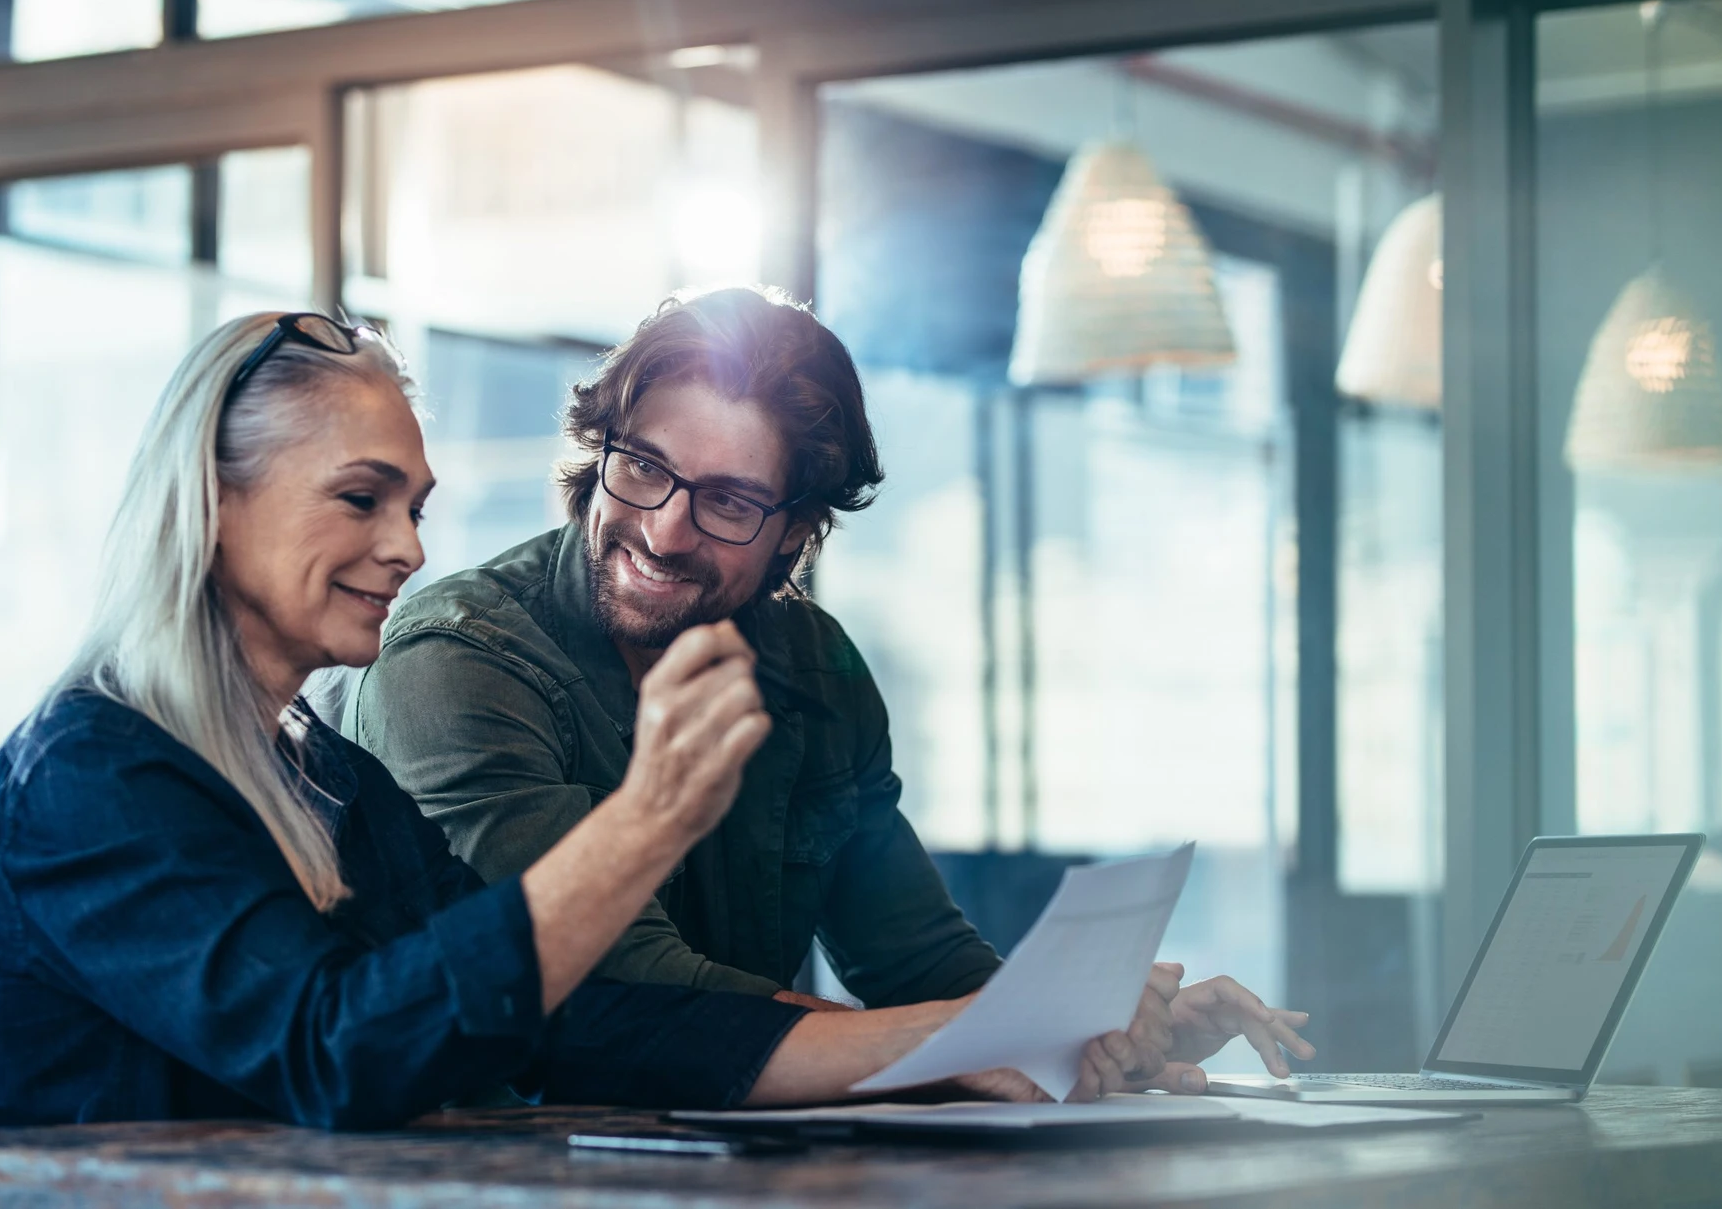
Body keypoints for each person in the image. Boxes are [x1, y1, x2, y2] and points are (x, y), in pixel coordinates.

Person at [0, 311, 1171, 1132]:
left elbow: (573, 1021)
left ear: (796, 532)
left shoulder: (327, 777)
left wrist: (992, 1035)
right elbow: (334, 1051)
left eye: (414, 504)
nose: (408, 547)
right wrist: (645, 822)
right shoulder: (85, 775)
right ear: (209, 503)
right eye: (362, 498)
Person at [352, 286, 1311, 1085]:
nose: (665, 530)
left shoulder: (815, 668)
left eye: (727, 500)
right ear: (601, 453)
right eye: (643, 467)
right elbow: (627, 982)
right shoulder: (461, 660)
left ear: (797, 530)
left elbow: (917, 958)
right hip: (492, 1163)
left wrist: (1086, 1038)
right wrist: (977, 1041)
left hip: (731, 1164)